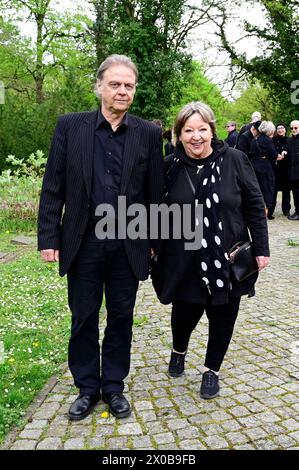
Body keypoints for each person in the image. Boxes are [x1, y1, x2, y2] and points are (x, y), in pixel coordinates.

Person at [38, 54, 164, 420]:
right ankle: (87, 388)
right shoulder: (70, 127)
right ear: (99, 87)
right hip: (83, 241)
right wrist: (49, 237)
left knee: (122, 315)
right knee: (83, 317)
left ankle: (113, 387)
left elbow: (155, 192)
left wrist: (156, 239)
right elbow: (53, 187)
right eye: (115, 84)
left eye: (129, 85)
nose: (123, 90)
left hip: (129, 242)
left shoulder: (148, 133)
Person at [153, 101, 269, 399]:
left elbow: (255, 205)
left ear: (212, 130)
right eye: (188, 130)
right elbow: (156, 211)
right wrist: (152, 245)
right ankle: (179, 350)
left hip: (226, 255)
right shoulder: (168, 167)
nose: (196, 137)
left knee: (224, 315)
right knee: (184, 314)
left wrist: (262, 248)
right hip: (185, 255)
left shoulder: (235, 159)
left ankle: (211, 370)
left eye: (202, 129)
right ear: (178, 134)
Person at [250, 121, 284, 219]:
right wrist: (279, 156)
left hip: (254, 167)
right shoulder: (267, 140)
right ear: (270, 130)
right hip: (264, 168)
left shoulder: (254, 139)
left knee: (257, 191)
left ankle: (256, 212)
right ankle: (264, 214)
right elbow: (274, 155)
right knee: (268, 190)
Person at [271, 123, 291, 217]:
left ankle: (286, 209)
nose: (280, 130)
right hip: (275, 168)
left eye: (282, 128)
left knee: (286, 190)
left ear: (285, 130)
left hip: (286, 168)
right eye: (278, 128)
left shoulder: (289, 140)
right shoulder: (273, 140)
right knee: (273, 189)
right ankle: (271, 210)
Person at [286, 120, 299, 220]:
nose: (293, 130)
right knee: (295, 192)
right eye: (292, 128)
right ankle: (298, 211)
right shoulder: (289, 140)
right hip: (293, 172)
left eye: (296, 128)